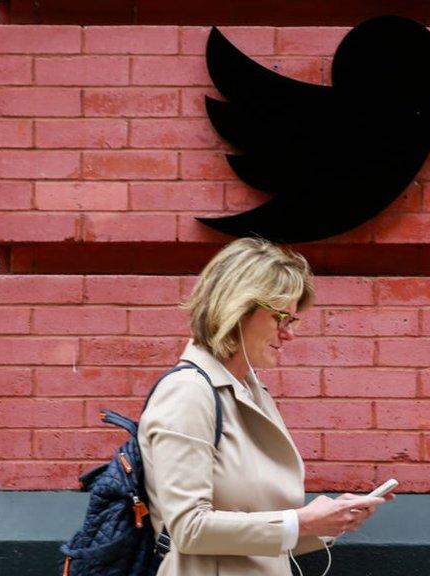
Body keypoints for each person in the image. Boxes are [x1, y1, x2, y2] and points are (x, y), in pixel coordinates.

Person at [137, 237, 389, 575]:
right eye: (279, 318)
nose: (289, 334)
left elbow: (258, 535)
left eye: (292, 321)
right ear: (237, 311)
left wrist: (327, 523)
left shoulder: (251, 391)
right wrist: (300, 520)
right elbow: (190, 528)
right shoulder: (189, 393)